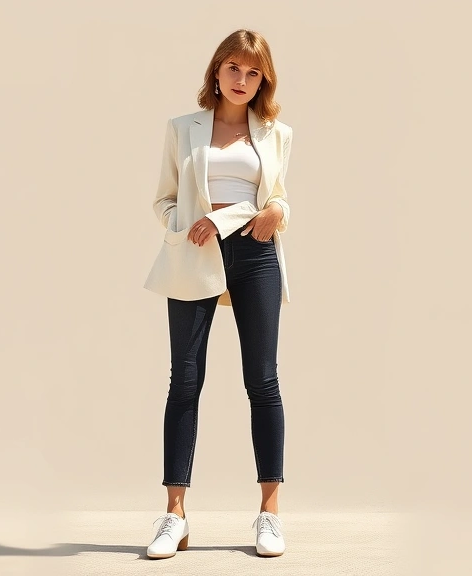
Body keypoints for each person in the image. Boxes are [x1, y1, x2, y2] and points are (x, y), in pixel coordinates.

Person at [142, 28, 294, 560]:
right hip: (197, 251)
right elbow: (163, 199)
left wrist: (277, 214)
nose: (243, 80)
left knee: (263, 380)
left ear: (263, 81)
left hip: (255, 254)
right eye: (234, 68)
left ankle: (269, 515)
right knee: (183, 380)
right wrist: (186, 228)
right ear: (217, 70)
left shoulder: (276, 133)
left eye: (254, 73)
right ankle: (174, 516)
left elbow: (277, 202)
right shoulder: (182, 129)